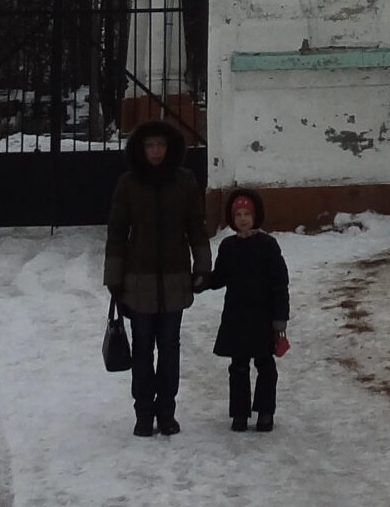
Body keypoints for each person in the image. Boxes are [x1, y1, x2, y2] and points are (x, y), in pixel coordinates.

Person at [105, 120, 208, 436]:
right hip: (139, 281)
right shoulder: (128, 184)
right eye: (150, 145)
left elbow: (196, 226)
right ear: (141, 149)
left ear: (170, 147)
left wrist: (202, 266)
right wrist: (114, 277)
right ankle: (143, 413)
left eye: (161, 145)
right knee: (142, 349)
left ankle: (166, 412)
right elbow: (117, 232)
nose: (156, 151)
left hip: (176, 279)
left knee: (170, 348)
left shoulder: (184, 181)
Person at [207, 188, 289, 432]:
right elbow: (219, 277)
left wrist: (280, 318)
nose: (242, 219)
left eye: (247, 214)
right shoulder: (228, 246)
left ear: (256, 216)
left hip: (263, 316)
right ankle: (240, 413)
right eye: (238, 214)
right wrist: (199, 280)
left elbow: (279, 284)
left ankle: (265, 412)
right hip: (237, 317)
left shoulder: (268, 246)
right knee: (238, 366)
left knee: (265, 365)